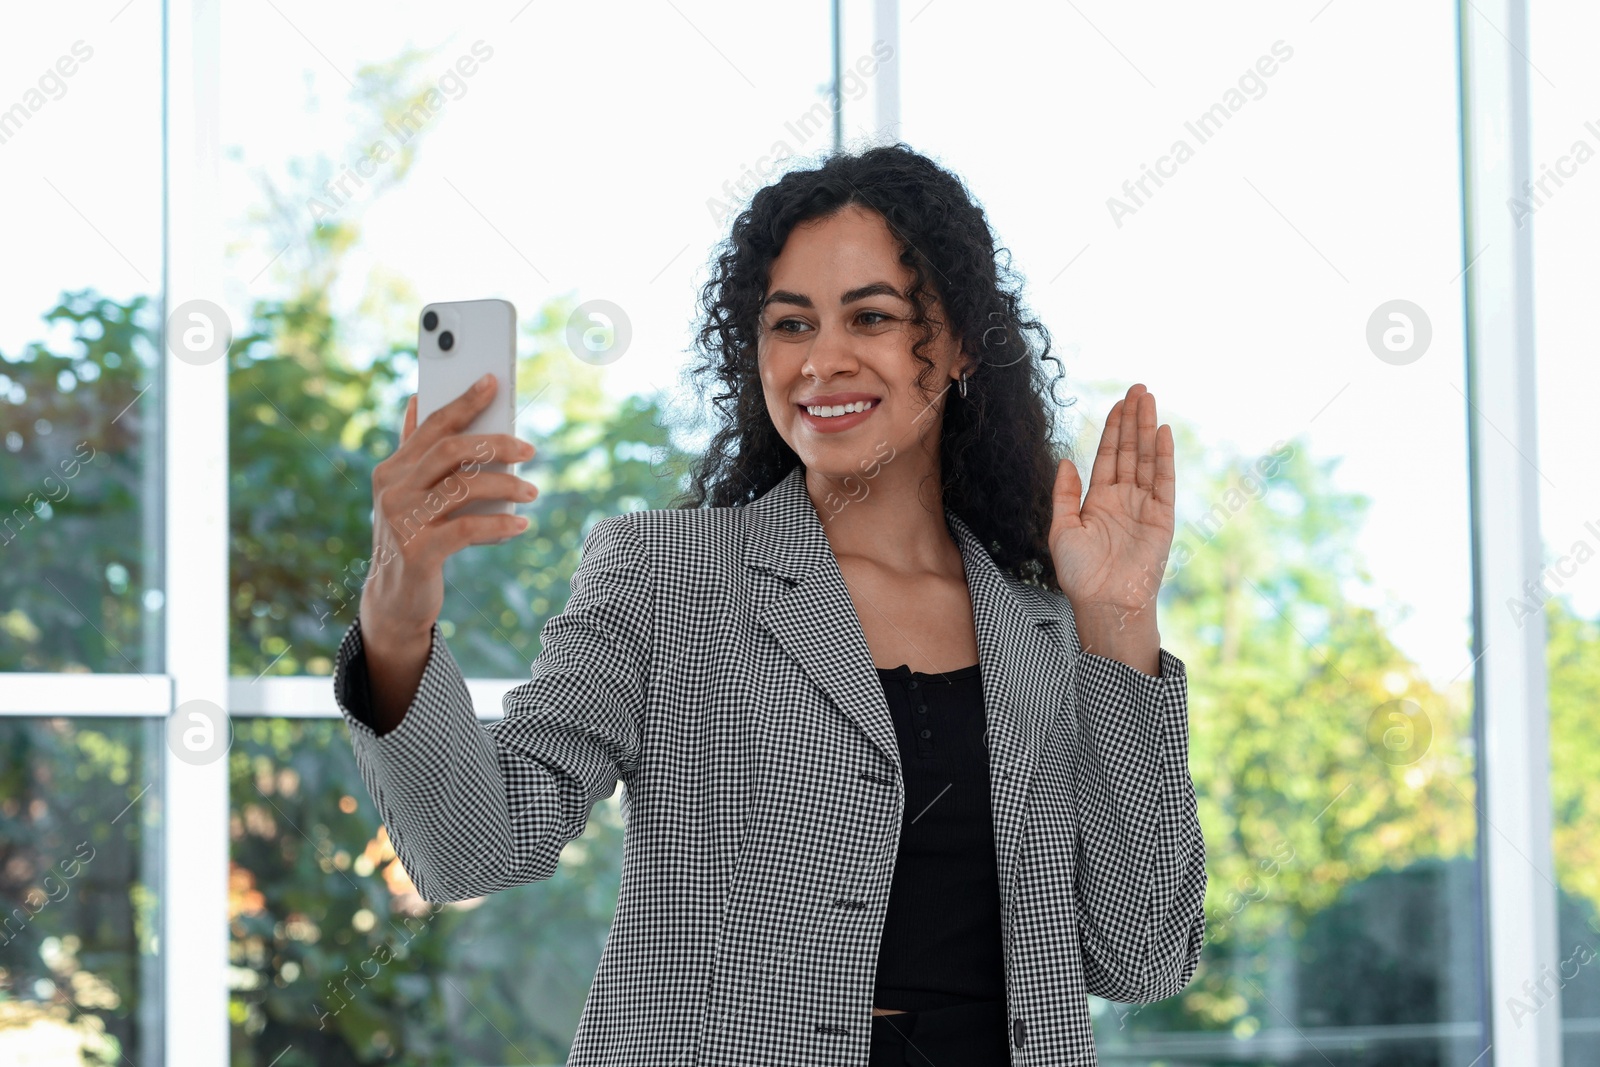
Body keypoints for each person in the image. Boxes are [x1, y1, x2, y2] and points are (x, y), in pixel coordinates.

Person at [336, 143, 1206, 1066]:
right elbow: (474, 847)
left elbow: (1143, 955)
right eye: (789, 325)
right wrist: (397, 613)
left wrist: (1116, 619)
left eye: (870, 317)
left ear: (954, 346)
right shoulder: (668, 578)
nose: (822, 360)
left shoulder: (1043, 628)